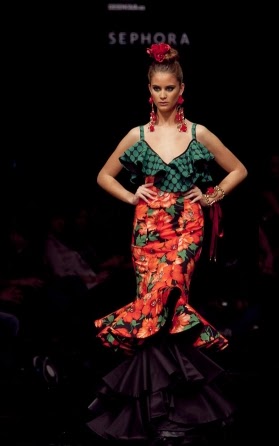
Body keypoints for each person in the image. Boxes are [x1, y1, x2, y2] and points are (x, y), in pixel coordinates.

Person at [85, 43, 248, 444]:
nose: (163, 95)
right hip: (148, 229)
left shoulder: (197, 133)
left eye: (169, 88)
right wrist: (132, 197)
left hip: (186, 225)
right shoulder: (137, 135)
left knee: (169, 297)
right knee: (154, 315)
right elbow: (104, 175)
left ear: (181, 89)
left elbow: (238, 169)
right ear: (149, 90)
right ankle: (159, 409)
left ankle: (156, 404)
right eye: (157, 88)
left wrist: (210, 196)